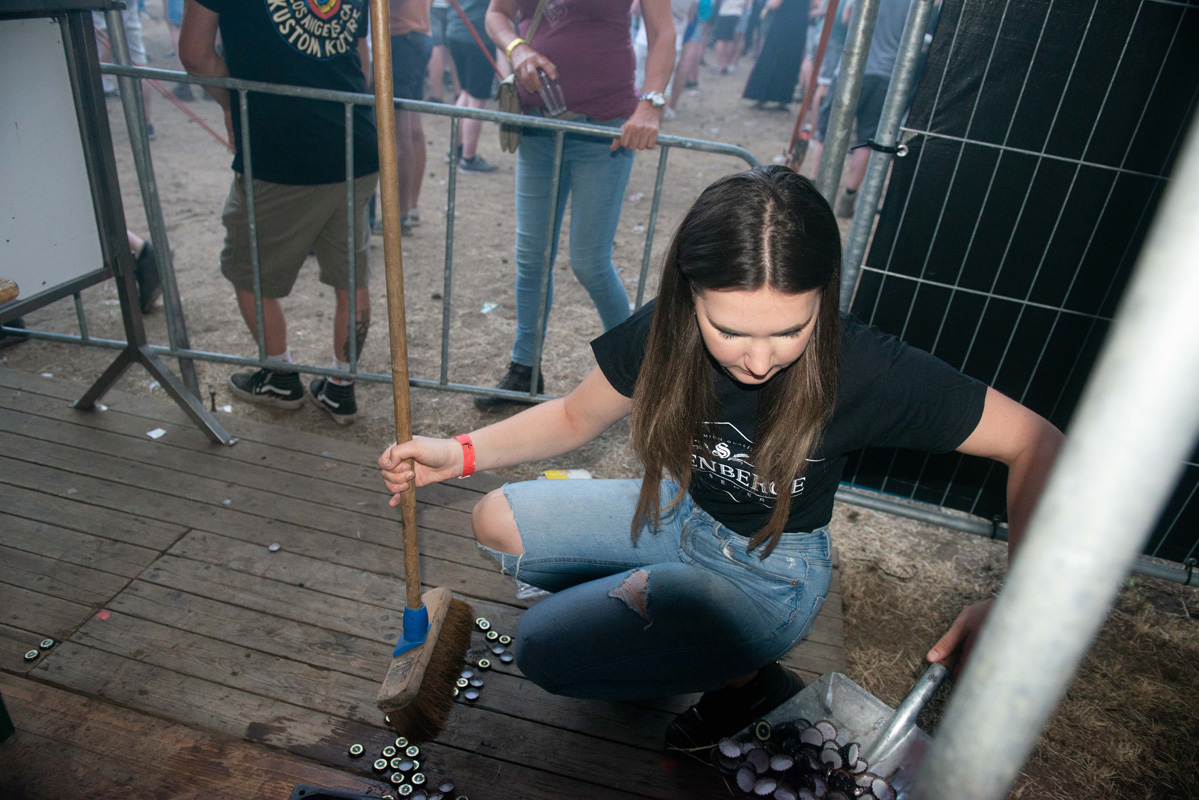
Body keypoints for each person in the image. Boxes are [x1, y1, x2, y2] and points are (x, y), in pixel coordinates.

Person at [379, 166, 1064, 748]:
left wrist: (1016, 601)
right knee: (495, 520)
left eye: (790, 330)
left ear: (825, 293)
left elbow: (1037, 442)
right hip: (680, 514)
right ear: (690, 293)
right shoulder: (664, 327)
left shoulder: (867, 366)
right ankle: (656, 636)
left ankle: (744, 683)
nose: (759, 360)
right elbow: (571, 417)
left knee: (542, 653)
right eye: (730, 330)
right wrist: (458, 453)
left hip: (771, 572)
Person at [180, 0, 379, 425]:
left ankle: (279, 374)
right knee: (350, 273)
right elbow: (360, 57)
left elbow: (195, 54)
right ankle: (341, 385)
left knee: (248, 269)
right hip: (354, 138)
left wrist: (237, 104)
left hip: (282, 144)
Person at [477, 0, 676, 411]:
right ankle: (524, 367)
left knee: (589, 262)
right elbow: (497, 13)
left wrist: (651, 103)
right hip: (537, 125)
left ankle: (642, 372)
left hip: (605, 130)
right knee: (531, 258)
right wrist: (516, 47)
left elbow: (663, 31)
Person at [810, 0, 913, 217]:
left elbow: (846, 17)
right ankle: (848, 197)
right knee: (868, 139)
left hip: (852, 68)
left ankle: (814, 193)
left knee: (826, 133)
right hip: (886, 75)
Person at [387, 0, 434, 234]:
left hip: (400, 36)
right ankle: (410, 208)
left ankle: (401, 214)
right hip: (419, 34)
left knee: (399, 131)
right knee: (412, 127)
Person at [445, 0, 500, 172]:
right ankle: (469, 158)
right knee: (477, 99)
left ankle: (455, 150)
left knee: (466, 93)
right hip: (477, 36)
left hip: (455, 30)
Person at [741, 0, 805, 110]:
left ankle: (761, 96)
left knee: (771, 58)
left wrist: (766, 7)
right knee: (790, 61)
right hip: (799, 25)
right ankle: (783, 98)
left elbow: (775, 4)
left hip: (783, 23)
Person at [428, 0, 461, 104]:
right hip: (455, 5)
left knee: (437, 46)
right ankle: (459, 94)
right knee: (453, 47)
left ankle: (437, 97)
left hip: (434, 5)